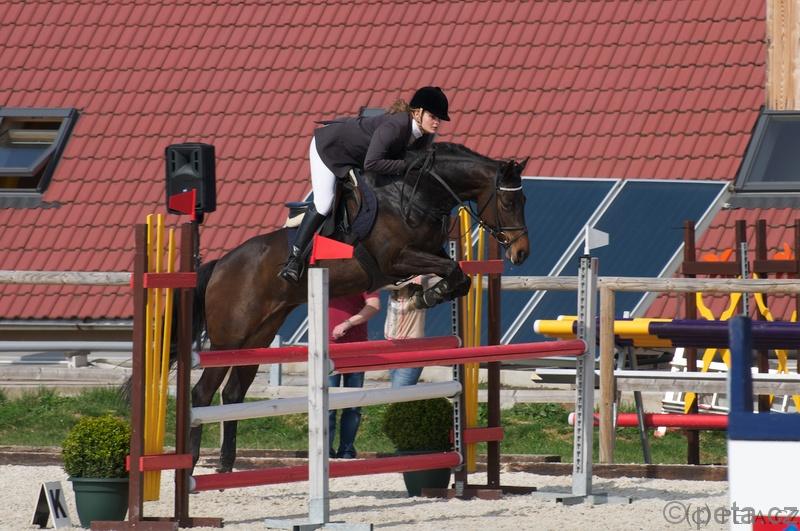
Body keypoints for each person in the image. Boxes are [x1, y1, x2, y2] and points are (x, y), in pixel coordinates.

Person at [278, 86, 451, 283]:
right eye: (433, 117)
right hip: (330, 149)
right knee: (324, 203)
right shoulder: (394, 127)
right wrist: (406, 165)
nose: (437, 122)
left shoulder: (422, 136)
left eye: (439, 119)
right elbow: (373, 163)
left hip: (356, 157)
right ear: (418, 112)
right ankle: (294, 259)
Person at [328, 291, 380, 458]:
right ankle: (325, 450)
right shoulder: (321, 276)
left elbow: (374, 305)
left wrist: (347, 323)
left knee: (352, 406)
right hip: (327, 347)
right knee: (326, 404)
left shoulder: (364, 279)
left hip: (355, 349)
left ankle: (346, 451)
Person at [385, 276, 430, 387]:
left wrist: (422, 275)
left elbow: (440, 274)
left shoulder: (420, 290)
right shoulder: (394, 290)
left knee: (398, 392)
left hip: (411, 350)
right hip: (392, 348)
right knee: (397, 392)